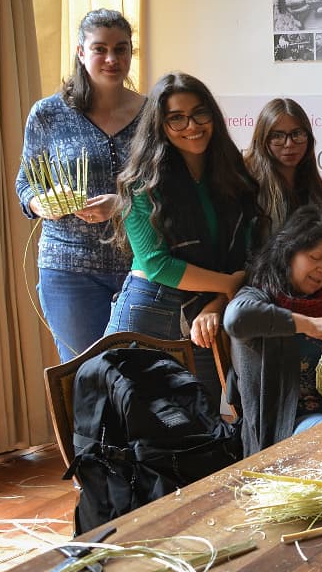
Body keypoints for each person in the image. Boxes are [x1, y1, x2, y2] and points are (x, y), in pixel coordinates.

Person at [106, 72, 259, 402]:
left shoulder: (233, 175)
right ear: (160, 124)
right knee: (136, 426)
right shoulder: (140, 182)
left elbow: (248, 253)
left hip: (206, 311)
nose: (192, 125)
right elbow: (157, 265)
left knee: (198, 424)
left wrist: (219, 301)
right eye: (177, 118)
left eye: (199, 112)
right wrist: (228, 286)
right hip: (150, 308)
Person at [16, 9, 144, 362]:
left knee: (138, 379)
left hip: (141, 266)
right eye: (100, 48)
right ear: (80, 52)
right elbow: (25, 183)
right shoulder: (48, 113)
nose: (111, 59)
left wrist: (122, 204)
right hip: (68, 267)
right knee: (83, 377)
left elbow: (169, 188)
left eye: (121, 49)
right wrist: (42, 204)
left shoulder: (153, 114)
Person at [224, 205, 322, 456]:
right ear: (289, 253)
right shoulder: (258, 298)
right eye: (315, 257)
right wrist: (310, 324)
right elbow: (235, 318)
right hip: (284, 429)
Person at [245, 98, 322, 237]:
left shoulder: (318, 191)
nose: (289, 144)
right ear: (263, 140)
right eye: (277, 136)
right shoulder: (249, 187)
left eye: (297, 134)